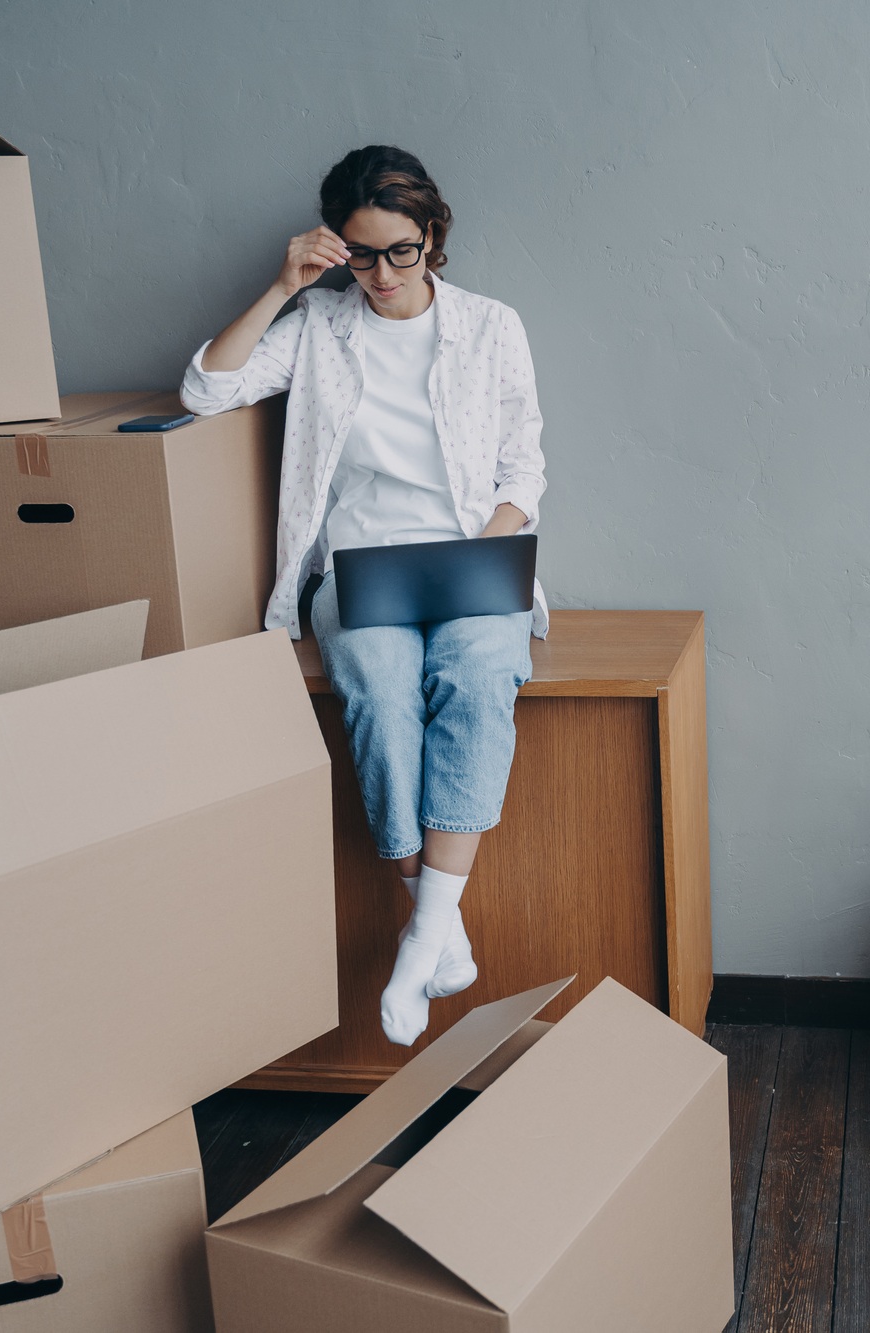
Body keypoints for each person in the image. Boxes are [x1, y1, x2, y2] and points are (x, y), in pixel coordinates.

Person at [181, 145, 547, 1046]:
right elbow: (205, 387)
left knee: (482, 670)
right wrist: (282, 287)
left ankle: (424, 930)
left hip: (473, 558)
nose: (381, 274)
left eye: (399, 252)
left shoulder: (492, 327)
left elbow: (523, 464)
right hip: (357, 569)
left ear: (433, 239)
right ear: (335, 246)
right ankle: (435, 924)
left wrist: (486, 552)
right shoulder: (318, 329)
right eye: (361, 253)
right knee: (380, 693)